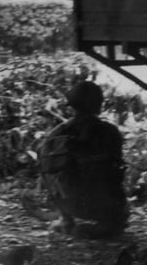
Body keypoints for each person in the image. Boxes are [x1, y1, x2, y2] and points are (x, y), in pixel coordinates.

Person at [38, 80, 128, 238]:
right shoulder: (110, 132)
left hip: (70, 204)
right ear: (99, 105)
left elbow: (46, 170)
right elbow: (117, 170)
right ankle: (107, 225)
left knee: (51, 169)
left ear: (71, 106)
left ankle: (66, 220)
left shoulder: (57, 133)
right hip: (105, 205)